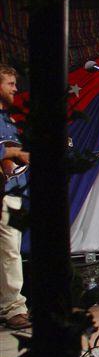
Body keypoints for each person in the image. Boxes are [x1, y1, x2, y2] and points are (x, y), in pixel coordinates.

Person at [0, 65, 31, 329]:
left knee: (11, 249)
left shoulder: (8, 120)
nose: (15, 89)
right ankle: (13, 309)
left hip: (11, 189)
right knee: (9, 251)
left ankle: (13, 307)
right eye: (10, 83)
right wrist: (12, 153)